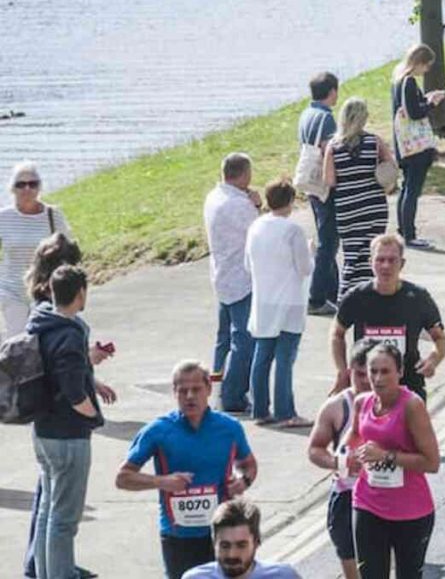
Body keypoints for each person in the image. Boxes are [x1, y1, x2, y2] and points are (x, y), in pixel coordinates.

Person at [116, 361, 258, 579]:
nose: (190, 396)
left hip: (222, 534)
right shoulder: (157, 431)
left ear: (209, 389)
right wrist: (162, 481)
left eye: (196, 389)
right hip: (178, 535)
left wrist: (243, 481)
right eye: (183, 391)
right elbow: (123, 478)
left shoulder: (229, 427)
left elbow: (248, 464)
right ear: (174, 393)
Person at [21, 234, 103, 579]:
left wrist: (90, 375)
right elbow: (72, 390)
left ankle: (43, 571)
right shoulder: (68, 333)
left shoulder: (41, 321)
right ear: (78, 291)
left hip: (44, 429)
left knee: (47, 512)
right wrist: (94, 414)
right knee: (63, 520)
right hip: (68, 435)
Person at [342, 342, 440, 579]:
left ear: (400, 372)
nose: (377, 378)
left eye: (385, 371)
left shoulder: (411, 406)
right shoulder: (362, 402)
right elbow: (354, 436)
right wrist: (349, 455)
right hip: (367, 503)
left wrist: (386, 456)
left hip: (411, 511)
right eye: (372, 371)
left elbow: (432, 462)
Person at [331, 234, 445, 400]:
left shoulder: (418, 297)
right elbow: (337, 333)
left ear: (402, 263)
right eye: (380, 259)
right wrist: (343, 371)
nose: (386, 266)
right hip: (367, 388)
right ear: (370, 262)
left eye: (392, 260)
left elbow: (440, 338)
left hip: (407, 385)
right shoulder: (356, 297)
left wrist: (433, 360)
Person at [244, 177, 313, 428]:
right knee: (285, 358)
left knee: (262, 355)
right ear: (290, 202)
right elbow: (304, 268)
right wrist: (311, 251)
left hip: (263, 301)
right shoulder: (292, 230)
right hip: (290, 302)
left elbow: (247, 265)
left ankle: (260, 409)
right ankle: (286, 412)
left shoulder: (256, 227)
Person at [308, 341, 373, 579]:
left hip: (384, 494)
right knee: (349, 557)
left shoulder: (398, 405)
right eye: (359, 374)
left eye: (371, 374)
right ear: (349, 371)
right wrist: (338, 462)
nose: (366, 381)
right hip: (347, 493)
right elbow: (315, 449)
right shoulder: (336, 407)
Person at [203, 153, 261, 413]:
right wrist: (257, 206)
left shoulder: (214, 197)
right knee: (244, 340)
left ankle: (216, 389)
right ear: (244, 174)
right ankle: (233, 396)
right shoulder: (240, 205)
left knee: (223, 338)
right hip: (241, 280)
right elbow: (259, 233)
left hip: (222, 275)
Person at [322, 97, 392, 294]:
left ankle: (347, 297)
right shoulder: (374, 141)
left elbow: (330, 180)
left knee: (351, 255)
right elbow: (390, 167)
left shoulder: (333, 147)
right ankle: (374, 292)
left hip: (348, 207)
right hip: (374, 206)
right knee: (373, 252)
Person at [0, 161, 71, 340]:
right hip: (12, 290)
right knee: (17, 341)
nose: (27, 189)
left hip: (44, 290)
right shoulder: (4, 217)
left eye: (33, 184)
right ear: (12, 189)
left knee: (42, 340)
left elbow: (67, 250)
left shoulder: (53, 215)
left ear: (39, 187)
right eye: (21, 184)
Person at [391, 44, 445, 249]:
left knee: (406, 188)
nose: (427, 71)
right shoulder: (409, 82)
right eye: (426, 66)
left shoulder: (398, 80)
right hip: (415, 147)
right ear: (419, 63)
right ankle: (410, 234)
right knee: (412, 190)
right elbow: (414, 113)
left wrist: (425, 98)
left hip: (404, 145)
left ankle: (403, 229)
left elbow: (407, 108)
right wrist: (431, 104)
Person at [297, 72, 340, 316]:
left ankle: (333, 291)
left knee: (327, 237)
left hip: (309, 183)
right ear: (331, 91)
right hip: (322, 184)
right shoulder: (327, 119)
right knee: (329, 241)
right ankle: (316, 297)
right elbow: (328, 151)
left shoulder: (306, 114)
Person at [182, 499, 300, 578]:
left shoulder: (284, 576)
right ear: (214, 543)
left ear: (256, 542)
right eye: (225, 545)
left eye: (241, 545)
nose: (232, 554)